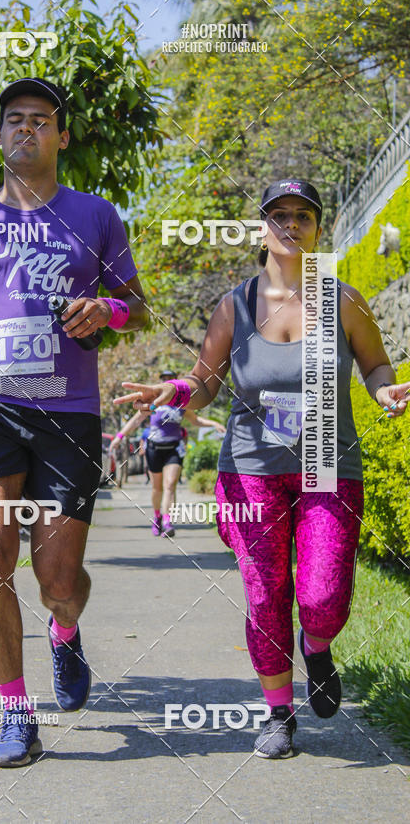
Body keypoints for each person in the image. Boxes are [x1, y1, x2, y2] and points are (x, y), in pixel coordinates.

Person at [114, 179, 410, 759]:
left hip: (330, 465)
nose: (291, 224)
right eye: (279, 215)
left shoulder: (344, 300)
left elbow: (375, 366)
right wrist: (174, 389)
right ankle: (278, 714)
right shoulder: (236, 305)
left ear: (318, 229)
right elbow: (205, 382)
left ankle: (318, 649)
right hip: (250, 468)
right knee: (265, 593)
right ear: (262, 228)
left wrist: (385, 393)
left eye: (303, 215)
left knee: (324, 596)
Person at [0, 77, 148, 767]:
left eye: (40, 120)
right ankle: (17, 714)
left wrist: (107, 311)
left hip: (69, 414)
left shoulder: (97, 216)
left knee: (58, 582)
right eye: (13, 120)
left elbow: (139, 304)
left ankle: (66, 633)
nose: (26, 129)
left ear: (61, 136)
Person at [111, 369, 225, 537]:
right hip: (154, 448)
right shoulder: (154, 402)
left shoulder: (182, 404)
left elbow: (196, 420)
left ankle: (167, 521)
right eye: (163, 378)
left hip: (173, 448)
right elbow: (136, 420)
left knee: (170, 485)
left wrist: (213, 424)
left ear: (175, 381)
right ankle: (157, 517)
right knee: (157, 488)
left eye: (170, 378)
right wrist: (118, 437)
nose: (167, 381)